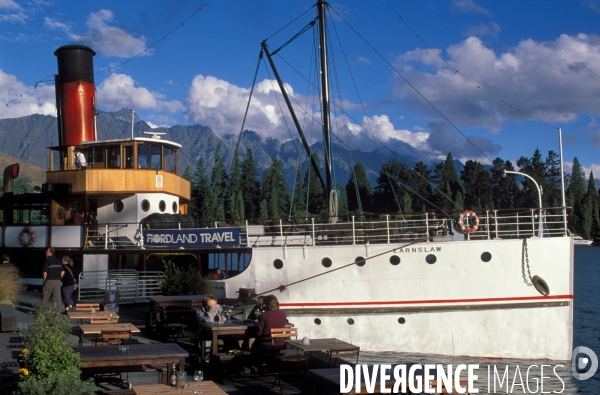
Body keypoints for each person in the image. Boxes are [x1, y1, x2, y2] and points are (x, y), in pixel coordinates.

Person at [41, 248, 64, 313]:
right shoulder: (58, 261)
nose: (46, 252)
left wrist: (44, 280)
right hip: (57, 281)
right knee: (57, 297)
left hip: (49, 280)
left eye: (47, 251)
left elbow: (45, 272)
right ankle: (58, 312)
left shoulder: (47, 261)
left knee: (45, 296)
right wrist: (59, 278)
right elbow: (63, 271)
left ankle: (41, 311)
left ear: (50, 252)